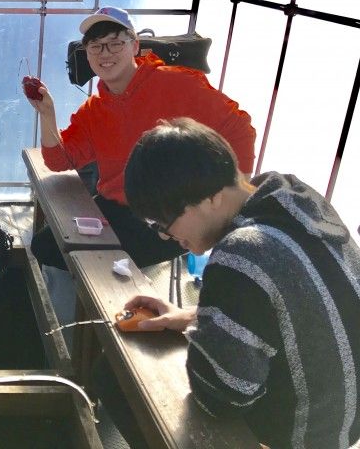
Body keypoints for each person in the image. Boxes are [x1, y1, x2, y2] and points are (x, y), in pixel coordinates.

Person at [115, 117, 360, 449]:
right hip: (346, 421)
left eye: (165, 222)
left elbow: (221, 396)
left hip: (299, 436)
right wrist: (195, 316)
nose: (167, 236)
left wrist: (208, 331)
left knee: (119, 382)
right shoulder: (294, 198)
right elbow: (296, 306)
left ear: (212, 197)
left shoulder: (242, 253)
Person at [26, 6, 256, 269]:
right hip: (115, 209)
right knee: (44, 246)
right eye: (96, 46)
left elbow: (240, 129)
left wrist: (224, 201)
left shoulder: (177, 84)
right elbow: (59, 160)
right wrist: (47, 113)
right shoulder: (94, 110)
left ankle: (119, 299)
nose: (105, 54)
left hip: (168, 215)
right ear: (87, 54)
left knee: (96, 268)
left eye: (115, 44)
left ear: (135, 46)